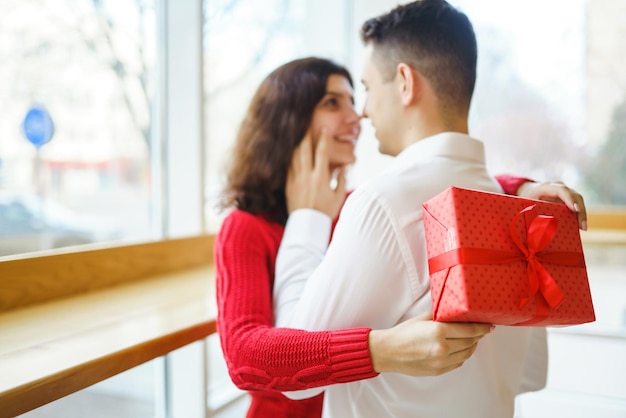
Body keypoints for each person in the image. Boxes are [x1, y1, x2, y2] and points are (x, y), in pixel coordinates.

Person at [215, 56, 587, 417]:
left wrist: (514, 188)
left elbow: (426, 193)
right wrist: (380, 349)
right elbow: (244, 356)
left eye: (353, 98)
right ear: (286, 118)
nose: (356, 114)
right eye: (332, 102)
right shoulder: (246, 226)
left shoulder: (352, 208)